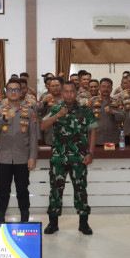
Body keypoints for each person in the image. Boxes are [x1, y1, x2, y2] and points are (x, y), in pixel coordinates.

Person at [40, 80, 97, 235]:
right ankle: (53, 223)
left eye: (72, 91)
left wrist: (91, 153)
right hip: (58, 157)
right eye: (66, 91)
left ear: (76, 92)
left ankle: (83, 223)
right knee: (55, 190)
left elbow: (93, 130)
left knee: (81, 189)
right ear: (62, 93)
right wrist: (58, 115)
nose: (69, 94)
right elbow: (43, 126)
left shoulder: (85, 109)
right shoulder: (56, 108)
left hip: (79, 157)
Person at [0, 79, 39, 222]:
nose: (13, 92)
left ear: (21, 92)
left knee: (22, 190)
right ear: (5, 92)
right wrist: (4, 118)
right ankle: (0, 219)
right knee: (2, 191)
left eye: (16, 89)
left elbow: (33, 136)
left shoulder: (29, 112)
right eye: (10, 89)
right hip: (4, 158)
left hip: (22, 158)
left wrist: (33, 157)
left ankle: (25, 218)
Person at [89, 78, 126, 146]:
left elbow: (123, 117)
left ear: (111, 89)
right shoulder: (92, 101)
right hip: (96, 139)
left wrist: (113, 112)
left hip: (113, 139)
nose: (105, 89)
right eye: (103, 87)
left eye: (108, 87)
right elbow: (87, 119)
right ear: (99, 88)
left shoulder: (117, 101)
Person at [38, 76, 64, 146]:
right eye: (52, 86)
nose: (55, 87)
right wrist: (44, 102)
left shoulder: (67, 98)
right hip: (50, 133)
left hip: (65, 132)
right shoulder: (45, 98)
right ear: (49, 87)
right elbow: (38, 111)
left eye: (57, 85)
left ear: (61, 86)